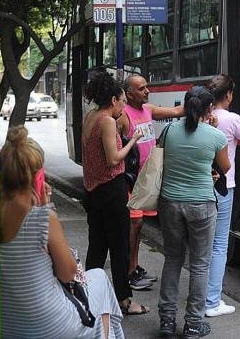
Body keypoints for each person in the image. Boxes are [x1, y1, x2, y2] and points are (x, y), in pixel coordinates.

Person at [0, 125, 125, 338]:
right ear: (38, 175)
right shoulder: (42, 218)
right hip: (50, 325)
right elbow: (68, 274)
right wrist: (47, 207)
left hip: (6, 324)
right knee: (100, 280)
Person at [157, 86, 230, 338]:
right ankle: (193, 324)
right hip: (202, 205)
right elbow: (225, 166)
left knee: (173, 259)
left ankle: (166, 321)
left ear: (186, 104)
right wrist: (212, 128)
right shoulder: (214, 136)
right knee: (200, 264)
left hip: (170, 203)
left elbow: (161, 158)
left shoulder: (168, 131)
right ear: (209, 109)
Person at [81, 71, 148, 316]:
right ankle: (124, 301)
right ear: (112, 100)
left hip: (92, 191)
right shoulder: (107, 121)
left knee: (96, 248)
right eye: (122, 101)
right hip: (111, 190)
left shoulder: (90, 117)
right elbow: (113, 159)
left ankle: (89, 296)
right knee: (120, 248)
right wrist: (133, 140)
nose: (123, 106)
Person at [203, 75, 240, 317]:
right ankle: (212, 301)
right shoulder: (232, 119)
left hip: (201, 187)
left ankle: (201, 295)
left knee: (202, 245)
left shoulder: (203, 118)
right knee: (219, 245)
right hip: (223, 187)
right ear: (228, 95)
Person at [117, 74, 185, 291]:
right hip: (130, 182)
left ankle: (133, 266)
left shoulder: (149, 110)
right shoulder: (123, 116)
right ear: (128, 94)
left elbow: (176, 112)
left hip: (147, 181)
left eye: (147, 87)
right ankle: (128, 271)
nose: (147, 91)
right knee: (134, 224)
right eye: (141, 88)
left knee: (138, 227)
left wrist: (199, 102)